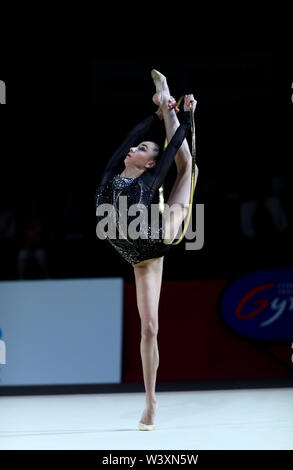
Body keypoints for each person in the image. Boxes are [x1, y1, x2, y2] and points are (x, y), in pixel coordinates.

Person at [95, 70, 198, 430]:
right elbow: (132, 135)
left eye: (142, 150)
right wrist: (154, 117)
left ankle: (171, 101)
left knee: (188, 166)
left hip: (159, 239)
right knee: (149, 329)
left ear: (149, 163)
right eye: (137, 148)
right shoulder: (112, 175)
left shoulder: (150, 180)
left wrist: (183, 116)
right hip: (138, 258)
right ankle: (151, 402)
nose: (134, 148)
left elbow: (170, 152)